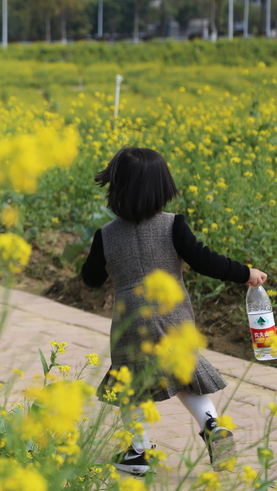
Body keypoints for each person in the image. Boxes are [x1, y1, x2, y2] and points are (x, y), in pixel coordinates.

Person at [81, 146, 267, 476]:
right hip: (174, 318)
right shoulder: (173, 226)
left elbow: (91, 279)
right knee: (185, 377)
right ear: (162, 189)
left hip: (131, 325)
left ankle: (138, 453)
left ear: (115, 187)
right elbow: (205, 260)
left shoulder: (105, 236)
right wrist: (245, 273)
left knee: (132, 386)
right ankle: (212, 427)